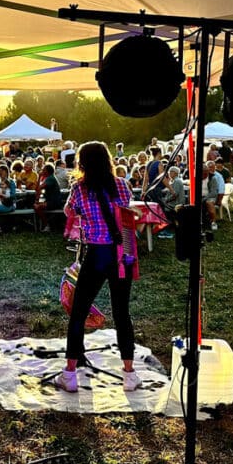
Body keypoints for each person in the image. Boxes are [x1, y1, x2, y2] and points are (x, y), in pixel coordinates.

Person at [56, 141, 139, 393]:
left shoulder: (79, 189)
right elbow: (128, 211)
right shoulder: (122, 185)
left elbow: (69, 211)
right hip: (121, 254)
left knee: (79, 312)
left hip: (96, 253)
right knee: (122, 312)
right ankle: (129, 373)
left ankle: (70, 373)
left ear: (82, 164)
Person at [34, 161, 64, 233]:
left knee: (38, 207)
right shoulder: (48, 178)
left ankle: (47, 225)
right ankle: (47, 224)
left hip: (54, 202)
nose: (42, 171)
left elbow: (39, 188)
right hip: (49, 201)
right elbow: (37, 188)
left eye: (44, 169)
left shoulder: (50, 178)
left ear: (47, 171)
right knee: (35, 205)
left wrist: (40, 176)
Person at [200, 160, 225, 229]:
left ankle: (213, 222)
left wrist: (204, 199)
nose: (204, 175)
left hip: (210, 196)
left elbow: (213, 192)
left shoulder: (213, 178)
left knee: (209, 203)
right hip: (200, 196)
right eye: (203, 173)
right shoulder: (197, 178)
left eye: (206, 173)